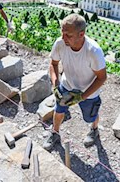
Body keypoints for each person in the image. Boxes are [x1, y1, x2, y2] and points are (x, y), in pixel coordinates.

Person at [43, 14, 107, 151]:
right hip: (67, 85)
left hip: (89, 92)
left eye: (68, 35)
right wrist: (55, 85)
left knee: (91, 116)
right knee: (59, 109)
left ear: (81, 34)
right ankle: (55, 132)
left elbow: (102, 78)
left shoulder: (93, 51)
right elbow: (53, 64)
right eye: (62, 33)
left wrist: (81, 97)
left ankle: (94, 129)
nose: (63, 38)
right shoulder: (60, 43)